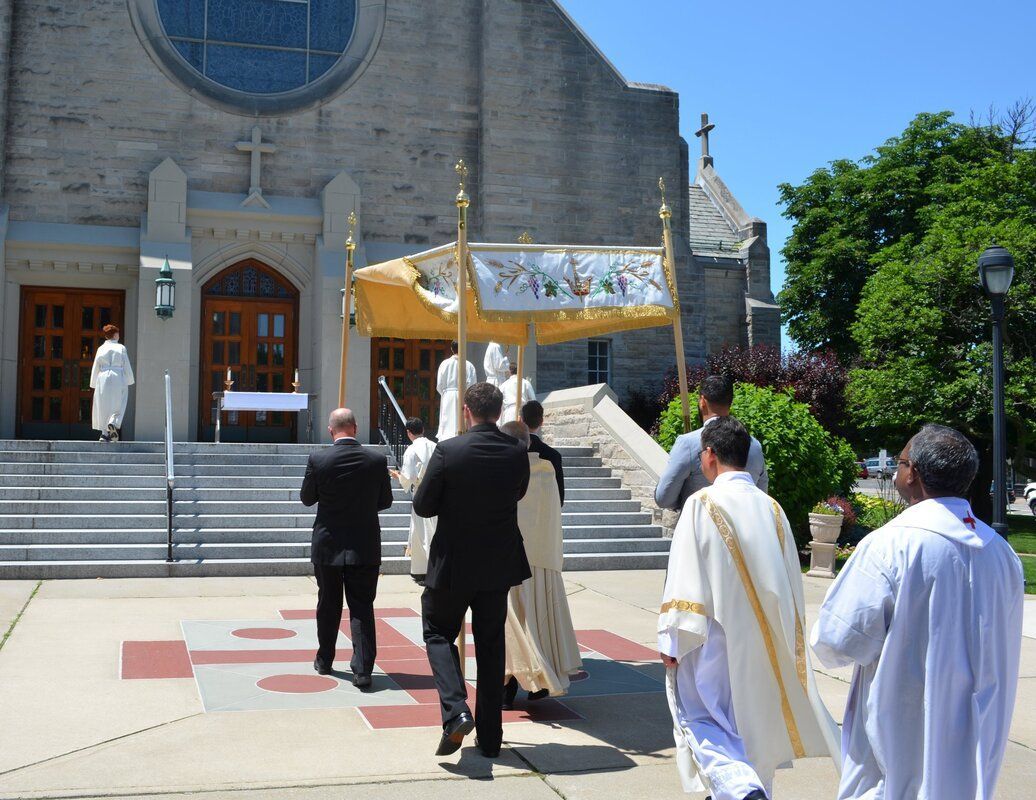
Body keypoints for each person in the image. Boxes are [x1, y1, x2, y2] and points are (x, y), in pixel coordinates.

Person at [811, 424, 1025, 800]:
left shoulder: (891, 545)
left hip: (899, 756)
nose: (897, 470)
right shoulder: (1001, 553)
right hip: (973, 755)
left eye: (901, 462)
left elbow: (837, 642)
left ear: (915, 475)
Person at [659, 416, 839, 800]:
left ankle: (741, 789)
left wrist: (672, 638)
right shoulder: (772, 508)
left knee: (701, 717)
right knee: (754, 726)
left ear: (708, 456)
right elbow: (791, 577)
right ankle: (753, 789)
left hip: (714, 640)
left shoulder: (701, 504)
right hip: (766, 639)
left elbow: (685, 579)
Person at [413, 382, 531, 758]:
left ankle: (456, 710)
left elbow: (423, 505)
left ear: (466, 410)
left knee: (436, 632)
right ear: (498, 412)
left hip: (454, 563)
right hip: (497, 563)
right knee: (492, 644)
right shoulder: (516, 451)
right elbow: (519, 492)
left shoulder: (449, 450)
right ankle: (491, 738)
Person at [300, 408, 393, 689]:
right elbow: (385, 501)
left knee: (328, 604)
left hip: (328, 544)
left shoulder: (319, 459)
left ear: (331, 431)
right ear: (354, 427)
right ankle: (363, 669)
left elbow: (307, 498)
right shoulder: (376, 459)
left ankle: (325, 659)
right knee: (362, 607)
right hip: (363, 544)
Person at [499, 420, 581, 706]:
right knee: (540, 623)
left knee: (511, 627)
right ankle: (541, 680)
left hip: (511, 560)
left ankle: (508, 686)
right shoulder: (547, 470)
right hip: (542, 560)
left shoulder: (504, 473)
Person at [655, 375, 767, 511]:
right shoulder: (754, 445)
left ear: (702, 401)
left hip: (699, 525)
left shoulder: (688, 443)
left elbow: (664, 498)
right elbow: (762, 492)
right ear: (730, 402)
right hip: (744, 527)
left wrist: (686, 501)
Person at [389, 417, 437, 585]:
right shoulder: (435, 446)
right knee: (425, 531)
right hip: (436, 492)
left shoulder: (411, 450)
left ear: (409, 433)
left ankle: (428, 571)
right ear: (422, 429)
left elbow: (408, 477)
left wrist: (397, 476)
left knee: (423, 533)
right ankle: (420, 569)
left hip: (421, 493)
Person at [89, 324, 135, 442]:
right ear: (115, 335)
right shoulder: (121, 348)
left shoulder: (100, 349)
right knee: (119, 403)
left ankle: (104, 434)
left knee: (103, 405)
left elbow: (96, 366)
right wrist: (130, 379)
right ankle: (113, 422)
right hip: (118, 376)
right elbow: (126, 365)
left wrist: (93, 383)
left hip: (103, 377)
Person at [435, 341, 478, 441]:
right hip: (463, 395)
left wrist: (446, 394)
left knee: (447, 424)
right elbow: (472, 386)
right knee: (462, 423)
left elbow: (439, 385)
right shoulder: (469, 365)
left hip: (447, 396)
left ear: (451, 349)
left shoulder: (444, 364)